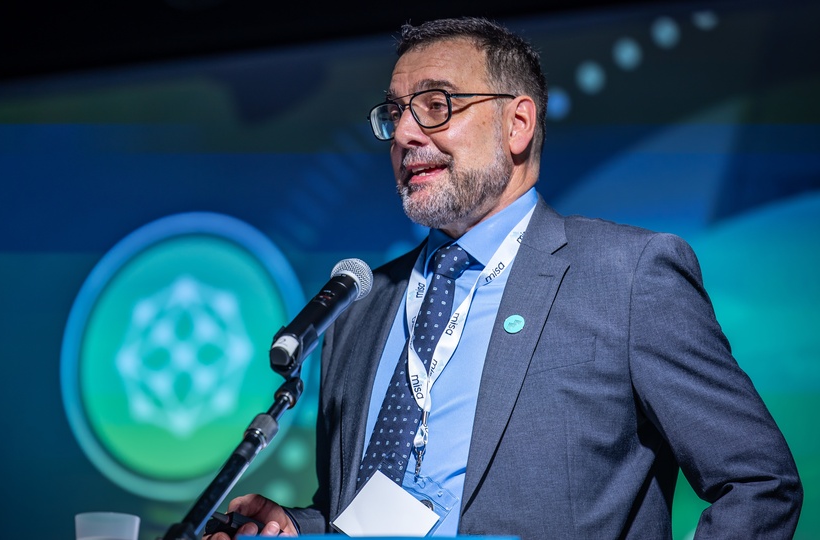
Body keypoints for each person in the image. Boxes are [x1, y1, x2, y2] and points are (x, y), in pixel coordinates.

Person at [212, 16, 803, 539]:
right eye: (395, 113)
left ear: (517, 123)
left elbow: (758, 482)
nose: (406, 135)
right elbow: (359, 513)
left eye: (436, 104)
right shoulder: (360, 308)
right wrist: (297, 526)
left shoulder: (626, 276)